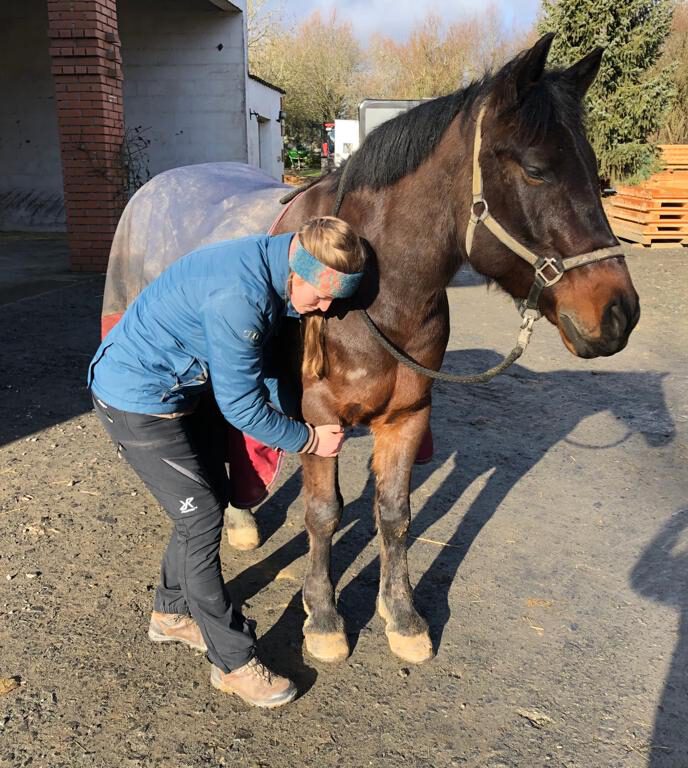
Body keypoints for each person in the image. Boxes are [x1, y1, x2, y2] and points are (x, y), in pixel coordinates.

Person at [87, 216, 366, 708]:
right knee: (201, 518)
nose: (326, 308)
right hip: (136, 400)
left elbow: (265, 374)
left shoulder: (275, 260)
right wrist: (307, 439)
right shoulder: (241, 298)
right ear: (297, 268)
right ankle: (234, 662)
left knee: (203, 501)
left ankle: (171, 614)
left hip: (180, 388)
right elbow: (240, 405)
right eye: (320, 297)